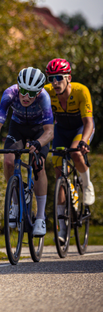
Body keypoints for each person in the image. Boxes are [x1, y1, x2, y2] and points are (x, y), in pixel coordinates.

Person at [0, 67, 54, 238]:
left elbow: (50, 131)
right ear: (18, 87)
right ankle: (15, 203)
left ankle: (40, 217)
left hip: (39, 130)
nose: (25, 96)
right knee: (8, 161)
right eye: (23, 91)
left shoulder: (45, 98)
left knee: (39, 166)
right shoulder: (9, 94)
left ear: (39, 92)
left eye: (31, 93)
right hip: (18, 127)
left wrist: (38, 143)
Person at [45, 58, 95, 239]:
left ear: (69, 78)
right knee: (59, 175)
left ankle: (87, 185)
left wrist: (85, 141)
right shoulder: (47, 92)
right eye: (51, 78)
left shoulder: (81, 91)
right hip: (61, 130)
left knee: (75, 152)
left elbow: (88, 122)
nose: (55, 82)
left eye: (59, 77)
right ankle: (62, 228)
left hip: (81, 128)